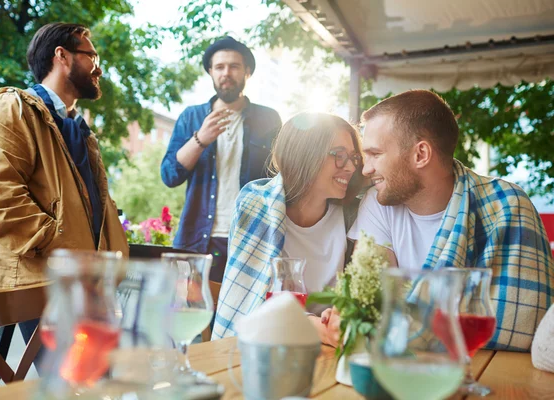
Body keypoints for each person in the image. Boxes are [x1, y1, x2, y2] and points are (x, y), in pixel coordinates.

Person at [346, 89, 553, 351]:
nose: (366, 169)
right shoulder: (377, 203)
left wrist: (411, 324)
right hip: (409, 368)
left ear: (420, 154)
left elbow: (524, 327)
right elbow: (370, 303)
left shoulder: (507, 203)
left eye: (375, 154)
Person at [0, 22, 128, 344]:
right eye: (92, 56)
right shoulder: (11, 107)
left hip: (84, 285)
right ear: (62, 56)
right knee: (76, 388)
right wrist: (65, 252)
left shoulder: (79, 130)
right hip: (39, 284)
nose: (98, 68)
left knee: (104, 383)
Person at [212, 112, 365, 344]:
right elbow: (251, 301)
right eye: (339, 155)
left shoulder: (352, 214)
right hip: (267, 345)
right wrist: (314, 325)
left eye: (353, 157)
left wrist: (338, 315)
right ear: (305, 155)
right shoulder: (256, 204)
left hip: (328, 348)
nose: (351, 167)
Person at [161, 36, 282, 283]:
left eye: (234, 66)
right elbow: (170, 175)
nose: (226, 73)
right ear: (210, 72)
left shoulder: (268, 119)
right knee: (194, 314)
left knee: (245, 318)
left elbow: (280, 180)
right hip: (198, 240)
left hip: (251, 238)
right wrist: (201, 139)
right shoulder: (191, 117)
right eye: (219, 67)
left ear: (247, 72)